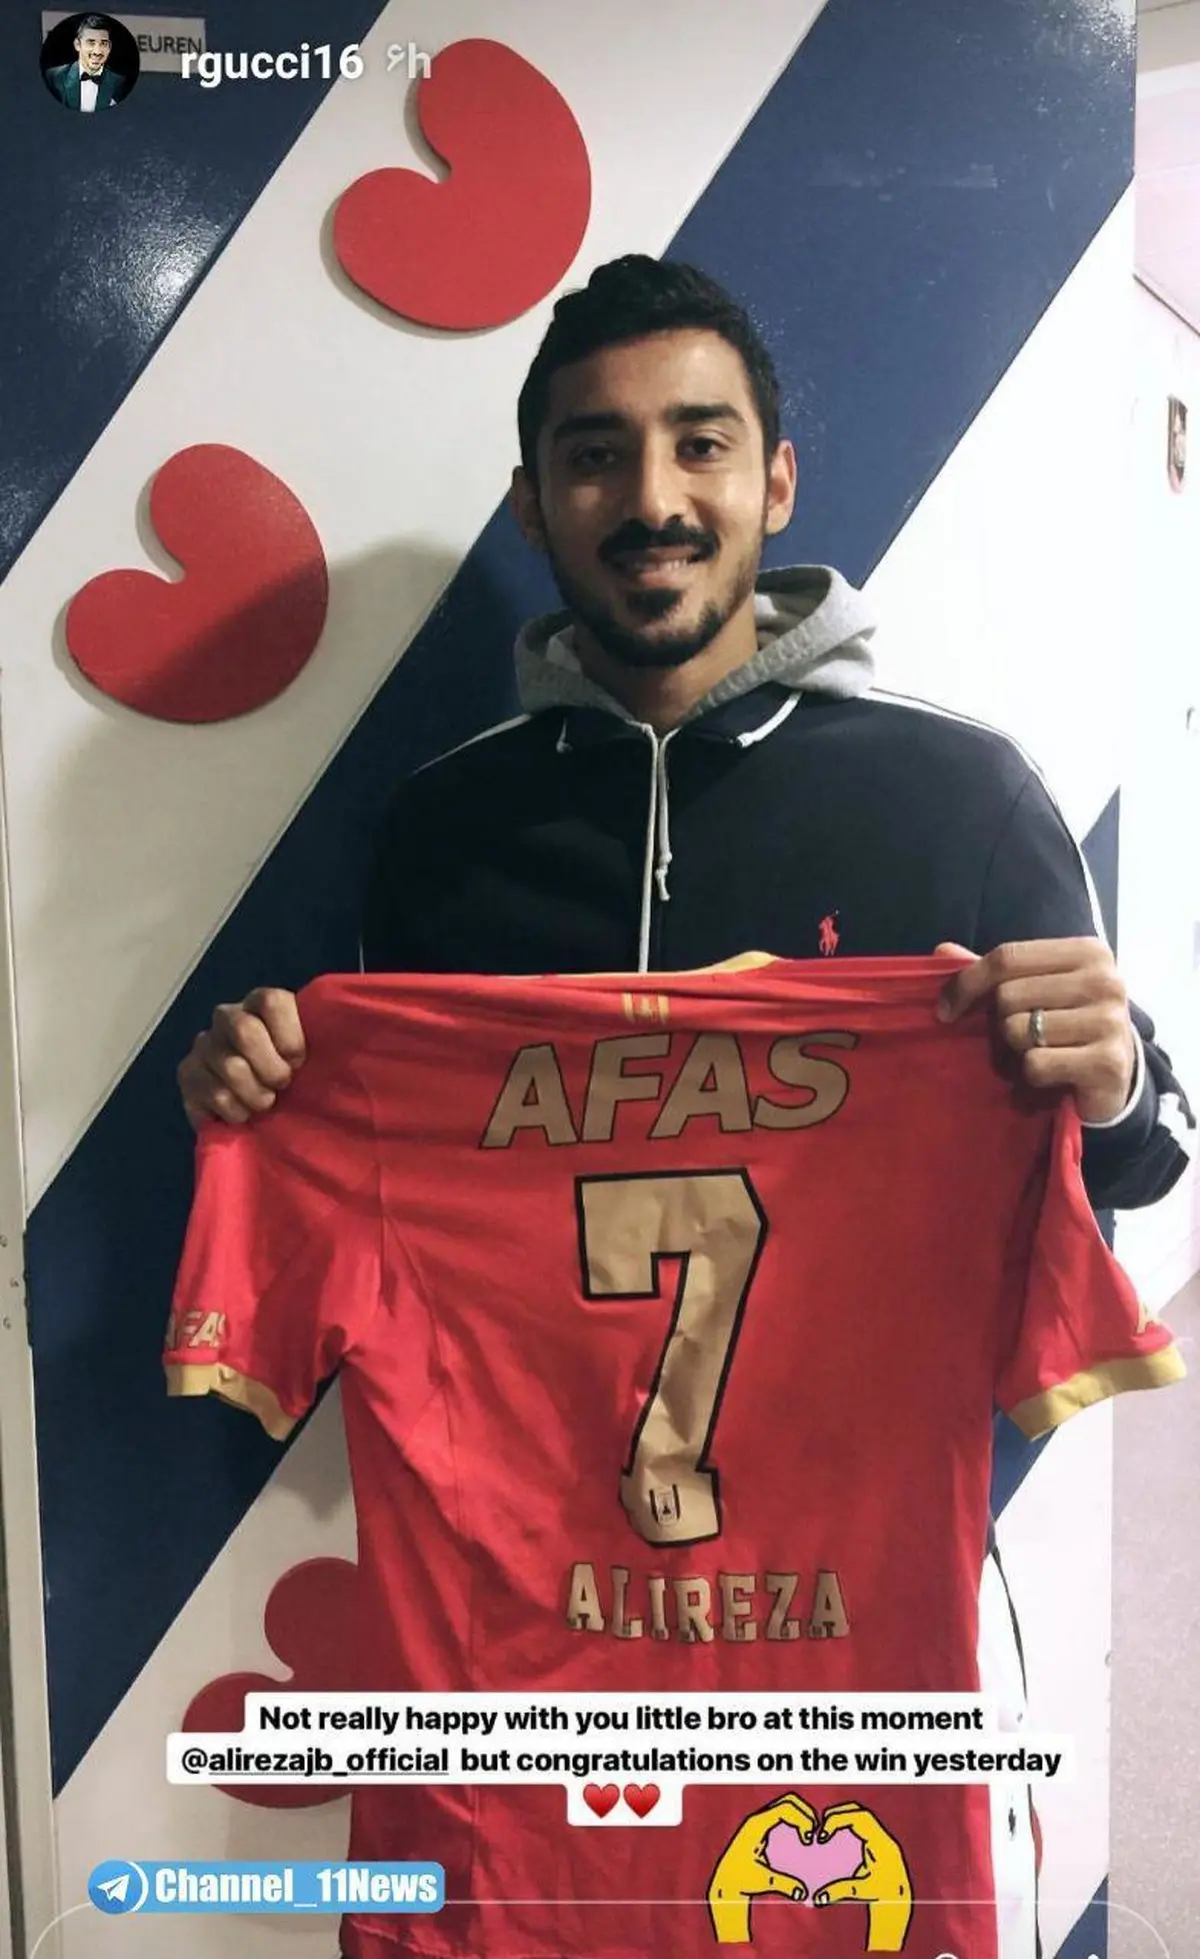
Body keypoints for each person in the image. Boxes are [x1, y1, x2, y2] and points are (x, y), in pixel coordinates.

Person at [177, 255, 1194, 1211]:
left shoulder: (967, 797)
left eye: (701, 446)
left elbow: (1149, 1161)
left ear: (777, 484)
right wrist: (264, 1096)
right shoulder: (439, 827)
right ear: (531, 506)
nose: (653, 500)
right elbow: (383, 1178)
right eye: (596, 457)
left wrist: (1114, 1091)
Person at [44, 15, 130, 111]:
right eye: (91, 43)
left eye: (103, 43)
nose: (97, 52)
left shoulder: (119, 83)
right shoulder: (55, 77)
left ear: (109, 47)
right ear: (77, 45)